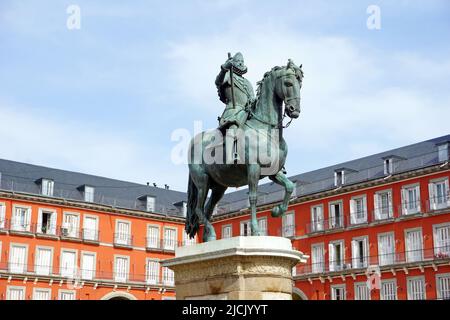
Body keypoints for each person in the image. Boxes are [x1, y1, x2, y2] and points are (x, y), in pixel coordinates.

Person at [215, 52, 255, 163]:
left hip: (246, 111)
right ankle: (232, 153)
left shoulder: (247, 83)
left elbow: (252, 97)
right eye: (238, 61)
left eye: (242, 61)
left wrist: (253, 103)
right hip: (233, 110)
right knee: (233, 125)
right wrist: (224, 69)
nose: (241, 63)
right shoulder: (228, 75)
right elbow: (218, 82)